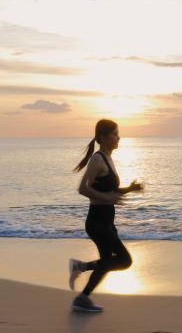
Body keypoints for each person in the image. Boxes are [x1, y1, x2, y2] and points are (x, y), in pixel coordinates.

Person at [69, 119, 143, 313]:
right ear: (103, 137)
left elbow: (110, 190)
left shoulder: (108, 158)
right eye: (115, 134)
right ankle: (81, 280)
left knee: (106, 263)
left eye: (118, 133)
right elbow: (83, 189)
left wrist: (129, 189)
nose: (119, 137)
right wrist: (106, 198)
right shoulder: (97, 159)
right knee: (124, 260)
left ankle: (82, 293)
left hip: (106, 222)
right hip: (97, 222)